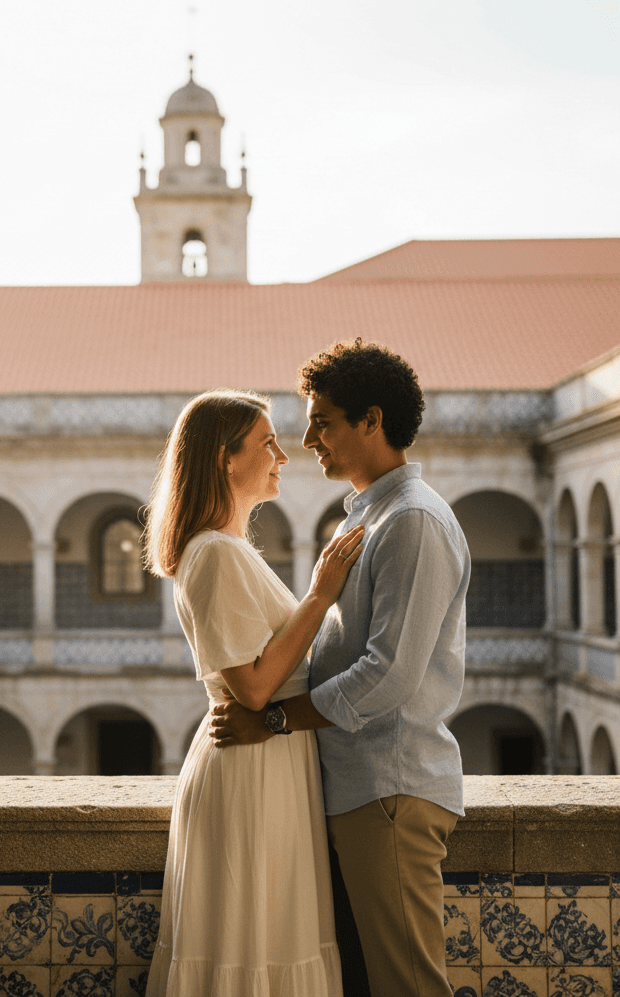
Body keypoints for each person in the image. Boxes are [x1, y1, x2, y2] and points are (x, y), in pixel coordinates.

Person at [211, 339, 470, 997]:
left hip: (390, 789)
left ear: (371, 420)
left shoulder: (412, 521)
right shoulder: (373, 517)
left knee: (407, 984)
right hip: (361, 788)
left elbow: (388, 675)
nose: (307, 441)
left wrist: (274, 719)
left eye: (322, 422)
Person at [143, 387, 365, 997]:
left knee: (267, 939)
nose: (283, 456)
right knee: (256, 943)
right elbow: (255, 686)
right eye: (268, 443)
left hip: (267, 763)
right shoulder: (215, 553)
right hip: (252, 767)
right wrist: (320, 594)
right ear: (225, 458)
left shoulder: (229, 549)